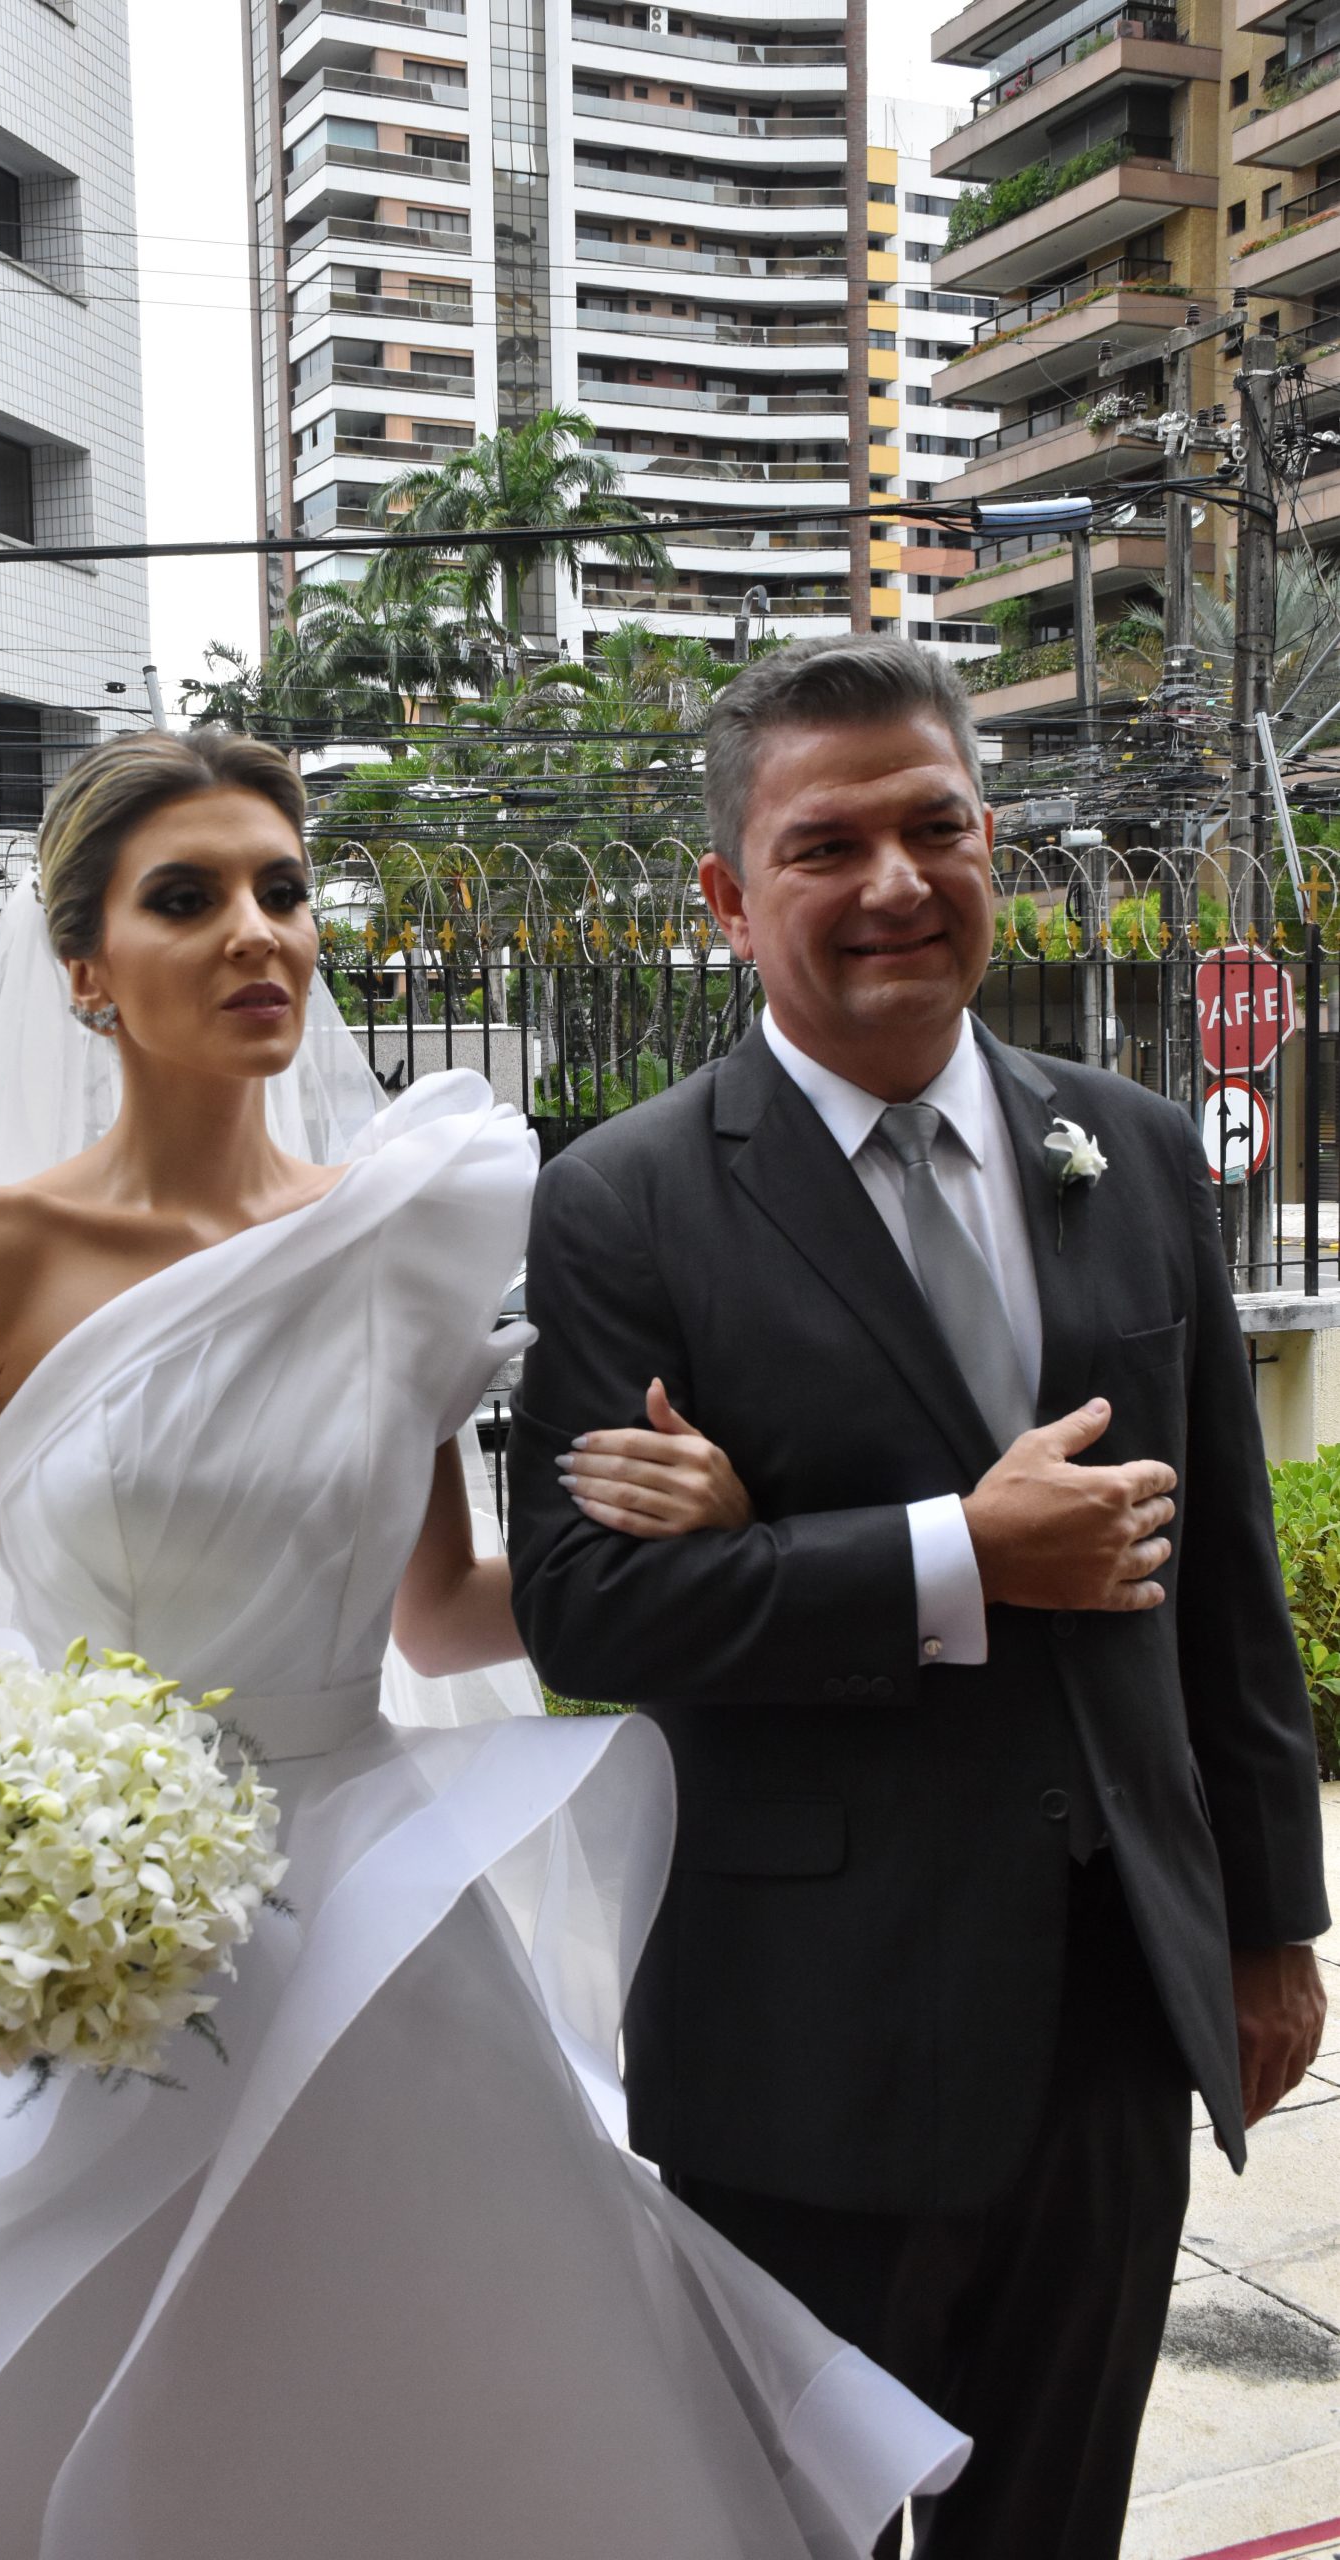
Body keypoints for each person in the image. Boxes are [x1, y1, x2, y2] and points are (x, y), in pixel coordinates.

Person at [0, 729, 967, 2559]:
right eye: (187, 899)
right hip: (79, 1931)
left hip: (369, 1919)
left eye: (281, 889)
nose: (257, 932)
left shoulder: (392, 1242)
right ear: (86, 971)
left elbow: (444, 1610)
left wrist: (703, 1548)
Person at [507, 637, 1331, 2560]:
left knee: (1058, 2514)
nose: (894, 881)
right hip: (806, 2029)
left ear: (991, 845)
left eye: (936, 828)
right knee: (788, 2528)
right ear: (730, 898)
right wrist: (959, 1550)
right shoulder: (626, 1203)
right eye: (825, 846)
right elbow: (585, 1609)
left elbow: (1223, 1576)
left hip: (1109, 2001)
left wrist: (1270, 1920)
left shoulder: (1129, 1147)